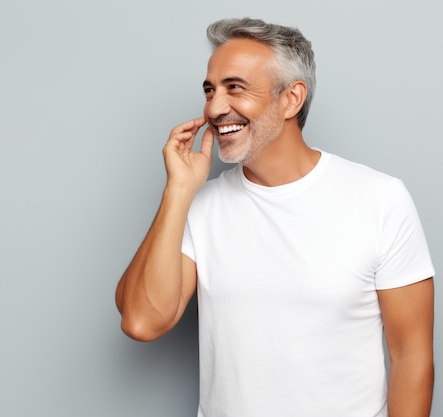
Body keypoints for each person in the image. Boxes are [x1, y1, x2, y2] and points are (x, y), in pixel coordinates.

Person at [115, 17, 435, 417]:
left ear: (291, 98)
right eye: (210, 90)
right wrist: (177, 191)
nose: (215, 107)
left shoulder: (380, 199)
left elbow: (412, 354)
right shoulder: (201, 205)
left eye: (235, 88)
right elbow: (142, 322)